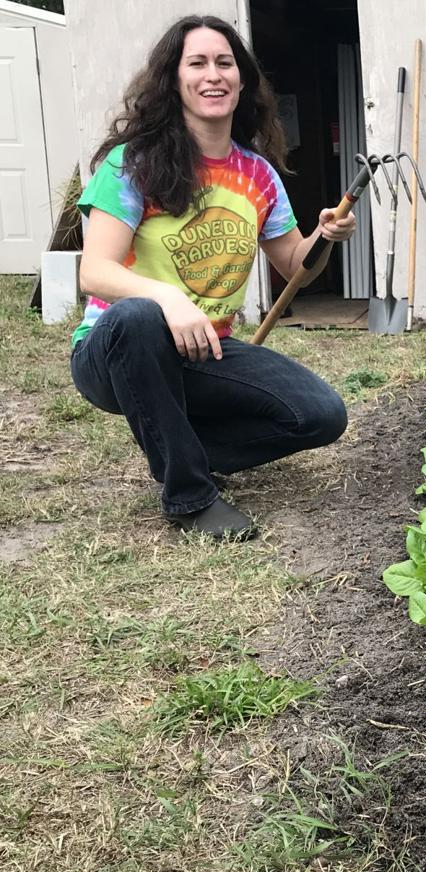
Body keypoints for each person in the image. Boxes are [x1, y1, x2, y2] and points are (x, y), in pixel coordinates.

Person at [72, 15, 355, 541]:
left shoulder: (258, 174)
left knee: (321, 414)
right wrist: (168, 299)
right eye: (197, 63)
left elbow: (295, 265)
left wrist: (324, 235)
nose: (213, 74)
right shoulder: (132, 164)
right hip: (116, 351)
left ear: (242, 81)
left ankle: (178, 445)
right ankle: (190, 497)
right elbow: (94, 271)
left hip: (204, 350)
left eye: (225, 63)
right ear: (173, 80)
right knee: (138, 317)